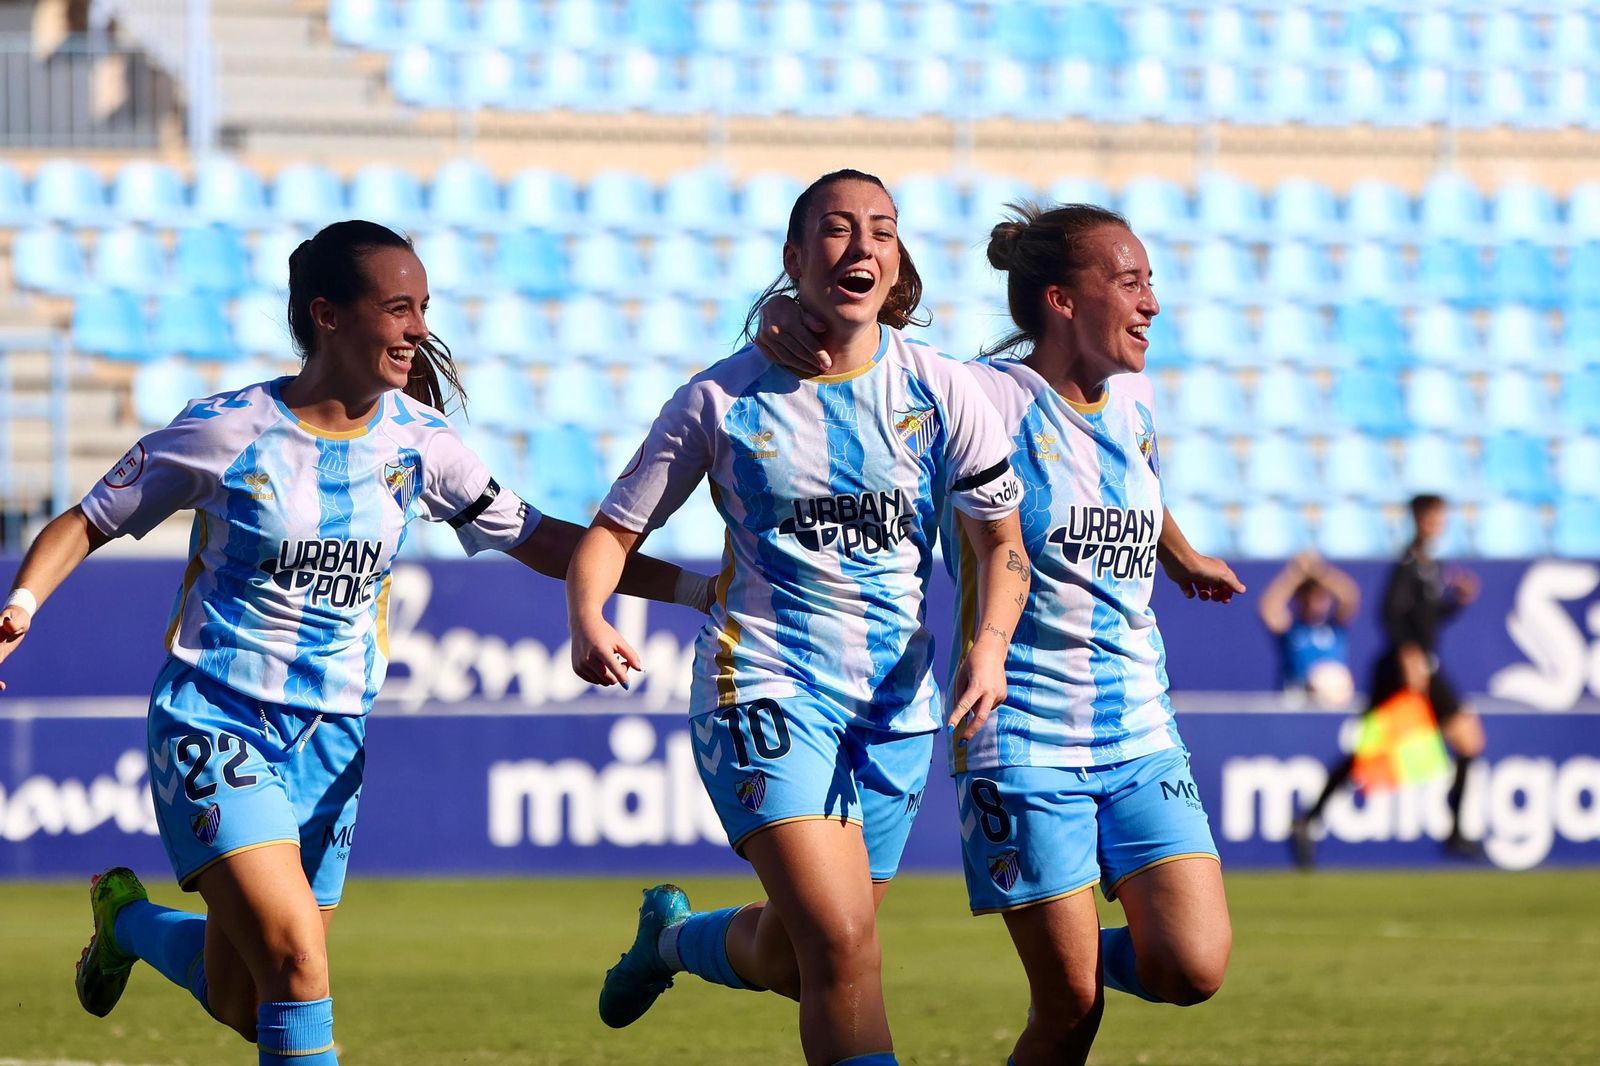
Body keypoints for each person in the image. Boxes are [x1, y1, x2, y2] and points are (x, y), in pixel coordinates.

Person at [0, 221, 712, 1066]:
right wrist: (21, 605)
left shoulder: (419, 441)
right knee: (299, 965)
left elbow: (542, 538)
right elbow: (88, 520)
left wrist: (698, 590)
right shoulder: (227, 430)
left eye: (424, 309)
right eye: (398, 308)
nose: (419, 330)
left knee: (247, 997)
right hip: (215, 718)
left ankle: (127, 922)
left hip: (332, 738)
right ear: (327, 315)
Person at [756, 201, 1244, 1066]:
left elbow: (1135, 482)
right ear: (1062, 300)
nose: (1152, 302)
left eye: (1151, 283)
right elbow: (871, 355)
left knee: (1192, 965)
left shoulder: (1135, 401)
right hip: (1021, 738)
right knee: (1070, 1008)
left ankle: (1084, 952)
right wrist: (784, 316)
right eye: (1131, 282)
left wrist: (1181, 554)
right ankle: (1070, 966)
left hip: (1141, 729)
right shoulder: (983, 396)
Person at [566, 170, 1029, 1066]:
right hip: (762, 684)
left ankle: (671, 942)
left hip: (895, 708)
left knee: (797, 955)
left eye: (882, 230)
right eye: (838, 228)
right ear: (793, 256)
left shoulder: (943, 390)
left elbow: (1001, 542)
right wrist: (589, 612)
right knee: (844, 948)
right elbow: (611, 535)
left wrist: (991, 646)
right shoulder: (720, 398)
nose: (863, 246)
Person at [1292, 493, 1485, 865]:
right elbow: (1389, 615)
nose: (1436, 525)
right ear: (1417, 520)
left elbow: (1426, 619)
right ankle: (1309, 819)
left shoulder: (1433, 567)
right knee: (1367, 753)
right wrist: (1408, 652)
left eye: (1440, 519)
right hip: (1401, 670)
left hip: (1425, 665)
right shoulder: (1407, 565)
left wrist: (1456, 603)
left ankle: (1456, 830)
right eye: (1430, 518)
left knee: (1469, 741)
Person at [1257, 550, 1361, 709]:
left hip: (1334, 703)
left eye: (1320, 596)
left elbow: (1350, 597)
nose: (1313, 602)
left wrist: (1319, 571)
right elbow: (1268, 608)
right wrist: (1295, 574)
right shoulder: (1291, 629)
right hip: (1296, 702)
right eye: (1307, 596)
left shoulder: (1335, 627)